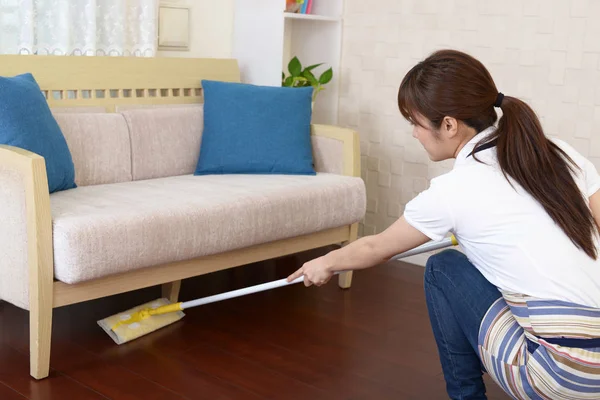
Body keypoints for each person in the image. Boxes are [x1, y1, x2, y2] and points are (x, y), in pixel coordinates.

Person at [287, 49, 600, 399]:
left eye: (415, 123)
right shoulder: (559, 151)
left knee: (443, 267)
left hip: (564, 377)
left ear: (449, 125)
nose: (414, 134)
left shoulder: (454, 190)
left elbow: (376, 247)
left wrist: (324, 263)